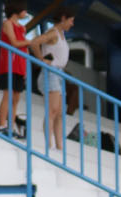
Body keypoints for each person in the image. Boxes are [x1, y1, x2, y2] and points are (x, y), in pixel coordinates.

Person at [34, 9, 75, 151]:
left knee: (60, 113)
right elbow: (35, 42)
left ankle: (59, 146)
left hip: (59, 73)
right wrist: (41, 60)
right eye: (71, 20)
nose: (72, 24)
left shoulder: (61, 34)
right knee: (53, 110)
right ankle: (49, 144)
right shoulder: (53, 32)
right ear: (63, 18)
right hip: (51, 72)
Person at [0, 1, 30, 138]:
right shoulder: (8, 23)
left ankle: (10, 125)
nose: (26, 12)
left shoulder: (22, 28)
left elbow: (24, 49)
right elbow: (14, 43)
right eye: (24, 9)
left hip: (20, 66)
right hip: (9, 64)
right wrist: (29, 42)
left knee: (16, 98)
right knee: (8, 95)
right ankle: (2, 124)